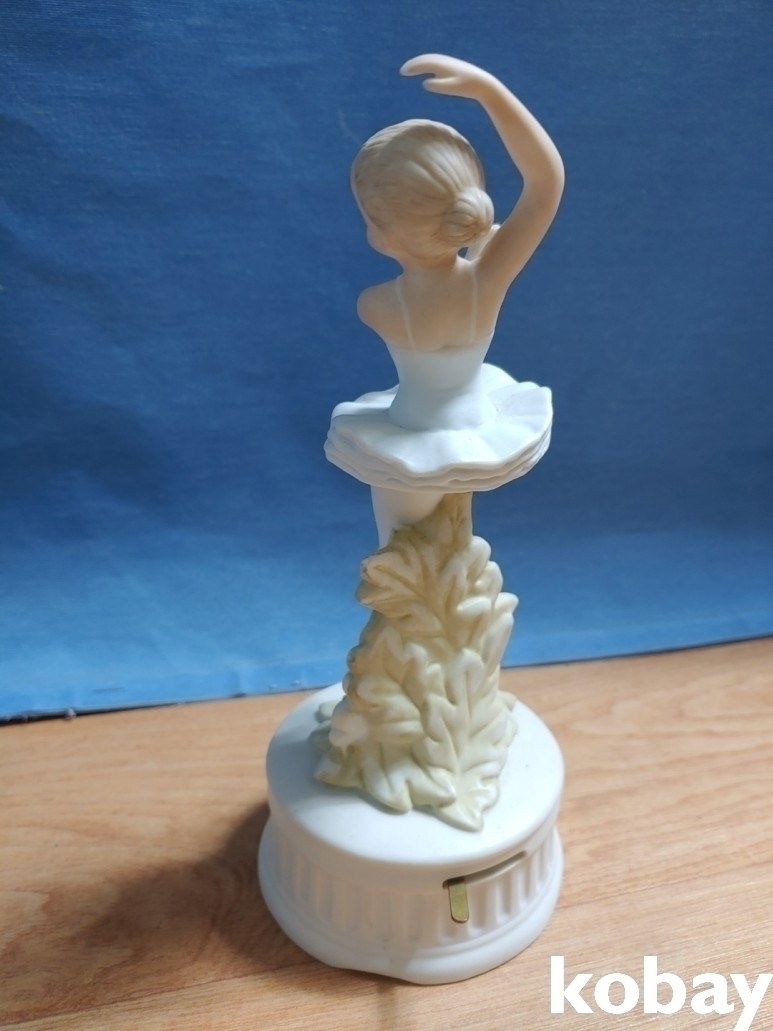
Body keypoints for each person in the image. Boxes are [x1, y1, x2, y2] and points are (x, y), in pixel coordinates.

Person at [325, 54, 563, 544]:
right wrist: (491, 92)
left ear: (386, 236)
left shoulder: (377, 305)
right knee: (454, 532)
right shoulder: (488, 281)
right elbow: (546, 184)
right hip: (474, 425)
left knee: (400, 539)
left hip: (410, 433)